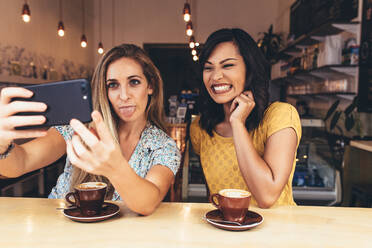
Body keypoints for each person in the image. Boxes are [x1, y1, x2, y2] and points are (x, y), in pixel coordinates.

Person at [0, 44, 181, 215]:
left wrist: (115, 167)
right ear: (104, 90)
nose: (124, 96)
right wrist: (1, 145)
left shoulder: (162, 146)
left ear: (150, 86)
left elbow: (147, 203)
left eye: (134, 82)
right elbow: (22, 162)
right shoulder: (80, 128)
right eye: (113, 85)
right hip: (58, 231)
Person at [190, 28, 301, 208]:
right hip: (224, 231)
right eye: (208, 68)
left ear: (249, 69)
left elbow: (267, 196)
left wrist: (237, 123)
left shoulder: (280, 116)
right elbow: (212, 195)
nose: (216, 76)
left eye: (227, 65)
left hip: (276, 233)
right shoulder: (200, 127)